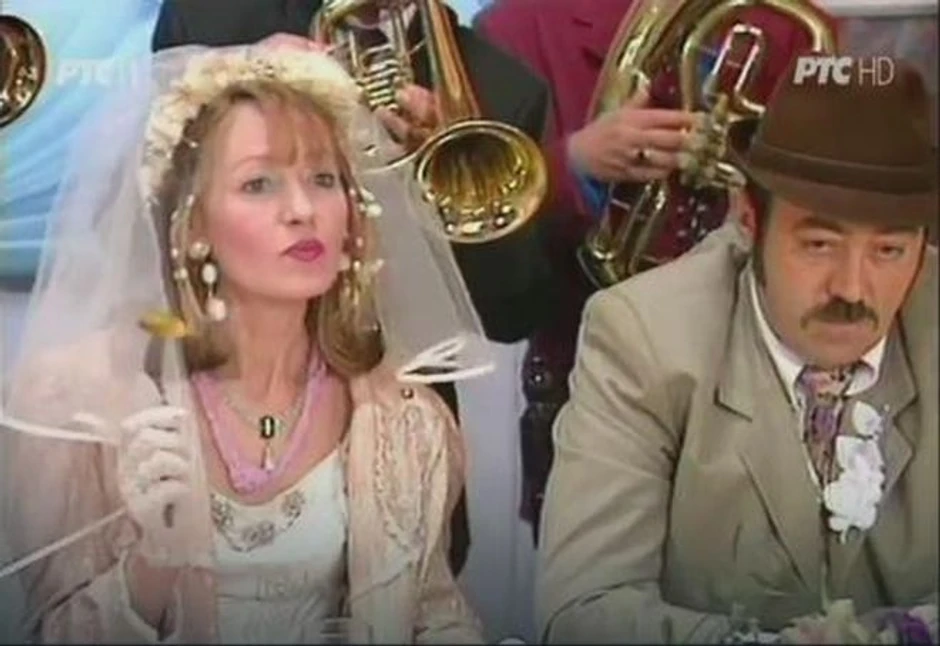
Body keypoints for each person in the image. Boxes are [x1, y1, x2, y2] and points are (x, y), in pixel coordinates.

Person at [0, 44, 494, 643]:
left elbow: (434, 616)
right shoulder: (77, 407)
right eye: (259, 184)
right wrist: (151, 565)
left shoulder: (407, 418)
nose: (302, 210)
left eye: (323, 179)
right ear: (193, 225)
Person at [536, 56, 938, 643]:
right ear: (748, 219)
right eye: (819, 244)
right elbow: (582, 613)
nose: (853, 289)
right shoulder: (642, 336)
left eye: (889, 252)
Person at [152, 0, 557, 573]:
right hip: (204, 393)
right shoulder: (211, 20)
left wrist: (438, 183)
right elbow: (149, 220)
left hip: (394, 445)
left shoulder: (503, 82)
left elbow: (509, 315)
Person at [474, 0, 839, 538]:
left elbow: (837, 188)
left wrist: (754, 180)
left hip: (763, 369)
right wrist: (575, 161)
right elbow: (484, 233)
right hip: (587, 373)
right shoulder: (515, 26)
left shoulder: (788, 24)